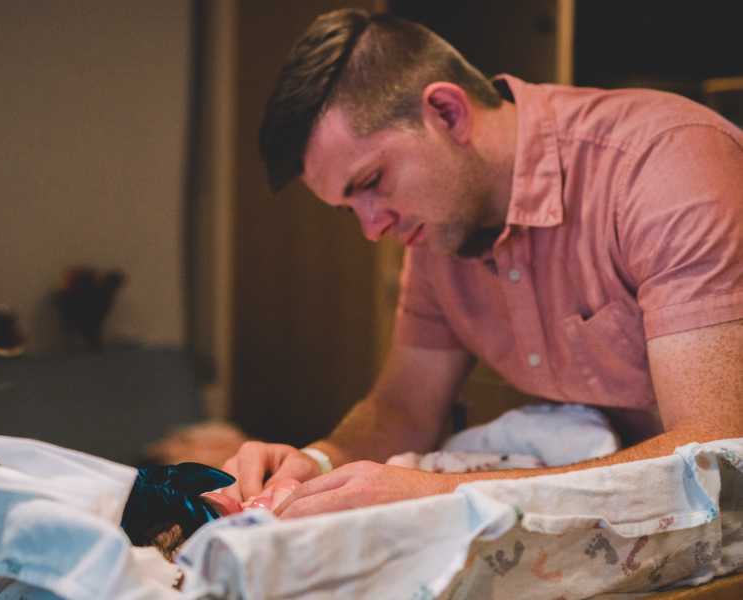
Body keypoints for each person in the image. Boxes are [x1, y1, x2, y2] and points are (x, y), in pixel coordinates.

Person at [221, 9, 743, 518]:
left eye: (371, 183)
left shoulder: (662, 165)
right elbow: (403, 409)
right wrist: (314, 463)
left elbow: (716, 455)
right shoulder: (437, 231)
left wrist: (445, 493)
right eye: (347, 207)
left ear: (448, 112)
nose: (372, 228)